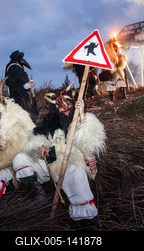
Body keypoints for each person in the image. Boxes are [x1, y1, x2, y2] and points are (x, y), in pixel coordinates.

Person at [13, 86, 106, 230]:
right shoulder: (50, 121)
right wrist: (41, 146)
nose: (64, 107)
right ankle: (38, 195)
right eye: (60, 105)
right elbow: (38, 137)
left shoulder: (84, 119)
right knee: (20, 159)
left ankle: (85, 221)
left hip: (71, 161)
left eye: (67, 103)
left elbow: (89, 143)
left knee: (76, 172)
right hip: (50, 162)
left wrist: (82, 115)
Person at [4, 50, 39, 122]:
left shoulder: (15, 66)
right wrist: (24, 85)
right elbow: (15, 79)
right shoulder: (14, 67)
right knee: (24, 113)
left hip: (20, 94)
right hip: (19, 95)